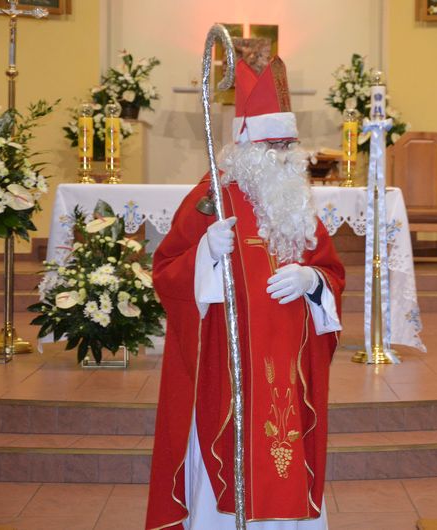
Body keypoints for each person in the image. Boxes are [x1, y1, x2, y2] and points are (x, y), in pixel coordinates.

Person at [145, 55, 345, 530]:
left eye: (288, 146)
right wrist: (206, 256)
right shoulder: (211, 198)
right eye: (273, 146)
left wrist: (312, 282)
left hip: (289, 367)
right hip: (227, 367)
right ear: (246, 147)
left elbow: (330, 271)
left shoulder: (297, 206)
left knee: (286, 454)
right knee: (229, 465)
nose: (283, 156)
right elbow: (167, 272)